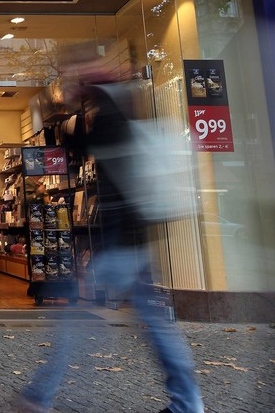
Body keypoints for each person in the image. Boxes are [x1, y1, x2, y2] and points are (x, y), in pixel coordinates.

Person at [16, 45, 204, 413]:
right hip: (132, 235)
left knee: (76, 317)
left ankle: (40, 396)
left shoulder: (110, 108)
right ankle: (187, 401)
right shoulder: (122, 104)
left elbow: (86, 148)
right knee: (152, 321)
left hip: (123, 237)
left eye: (78, 74)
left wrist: (61, 114)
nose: (73, 81)